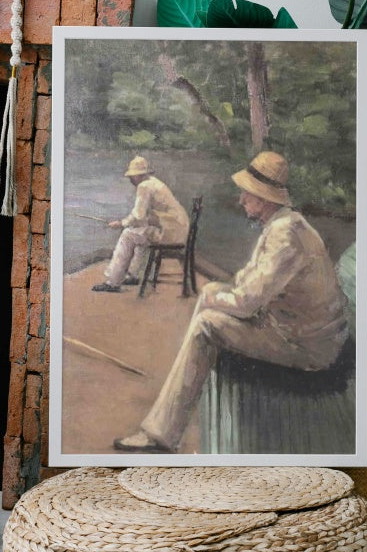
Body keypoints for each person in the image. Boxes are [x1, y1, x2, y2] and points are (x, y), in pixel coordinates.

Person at [113, 150, 349, 451]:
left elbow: (248, 301)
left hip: (307, 346)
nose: (241, 200)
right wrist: (215, 295)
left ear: (263, 198)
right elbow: (250, 282)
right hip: (299, 327)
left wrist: (217, 301)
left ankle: (162, 434)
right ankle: (184, 384)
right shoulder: (286, 224)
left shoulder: (284, 235)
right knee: (211, 292)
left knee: (205, 325)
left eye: (246, 194)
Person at [92, 156, 190, 293]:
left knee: (127, 235)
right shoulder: (154, 182)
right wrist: (130, 223)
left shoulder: (144, 186)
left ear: (139, 175)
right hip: (177, 229)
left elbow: (138, 215)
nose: (130, 179)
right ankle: (133, 274)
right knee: (139, 233)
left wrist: (121, 223)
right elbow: (143, 218)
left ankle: (113, 281)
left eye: (132, 176)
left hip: (171, 233)